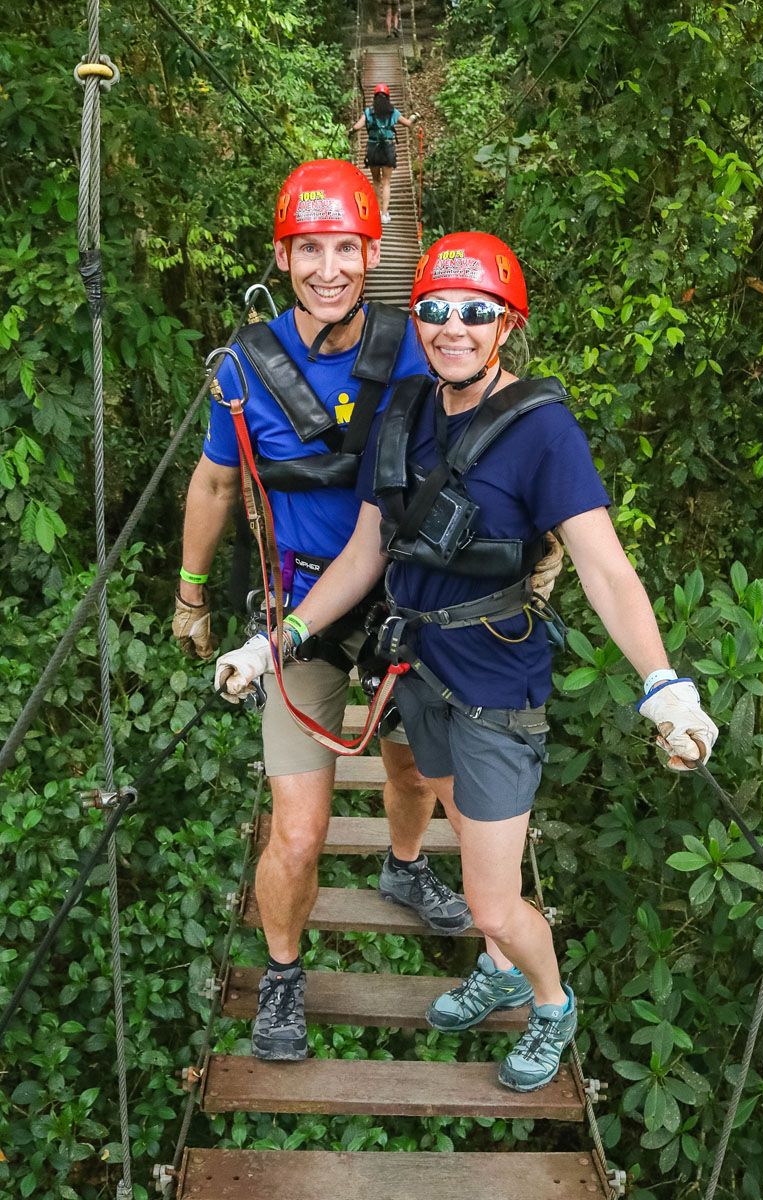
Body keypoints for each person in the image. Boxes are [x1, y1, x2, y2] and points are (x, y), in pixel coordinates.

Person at [216, 230, 719, 1091]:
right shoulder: (409, 411)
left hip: (494, 687)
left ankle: (551, 1004)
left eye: (476, 312)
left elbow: (603, 565)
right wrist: (280, 639)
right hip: (421, 676)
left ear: (507, 325)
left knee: (492, 897)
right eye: (436, 310)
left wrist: (662, 683)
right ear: (416, 319)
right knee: (474, 843)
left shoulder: (543, 430)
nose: (454, 326)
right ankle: (497, 965)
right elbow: (368, 551)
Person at [179, 161, 474, 1064]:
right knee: (299, 831)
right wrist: (192, 595)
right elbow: (218, 480)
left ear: (373, 254)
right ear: (284, 254)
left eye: (347, 247)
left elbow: (483, 422)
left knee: (411, 770)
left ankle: (404, 862)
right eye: (310, 248)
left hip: (406, 600)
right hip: (298, 611)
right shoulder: (244, 365)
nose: (329, 268)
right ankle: (281, 974)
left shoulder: (422, 349)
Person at [349, 85, 418, 224]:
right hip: (387, 148)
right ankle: (385, 214)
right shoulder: (393, 112)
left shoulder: (369, 112)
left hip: (373, 148)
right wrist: (414, 117)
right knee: (386, 182)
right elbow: (408, 123)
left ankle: (377, 211)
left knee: (376, 181)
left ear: (374, 98)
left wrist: (349, 131)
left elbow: (357, 127)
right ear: (388, 98)